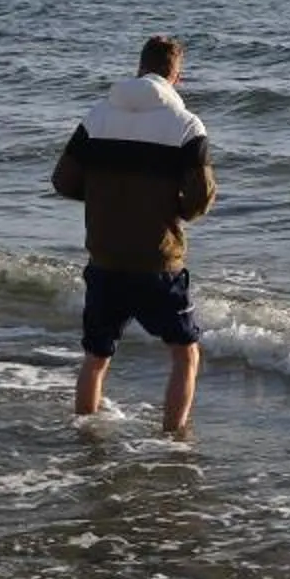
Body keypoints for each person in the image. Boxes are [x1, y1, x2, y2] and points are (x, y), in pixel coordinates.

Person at [49, 34, 216, 434]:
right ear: (177, 76)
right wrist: (171, 211)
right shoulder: (185, 125)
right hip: (157, 261)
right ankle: (173, 440)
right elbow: (200, 198)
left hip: (105, 256)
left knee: (96, 357)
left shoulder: (98, 116)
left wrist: (104, 200)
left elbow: (63, 180)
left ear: (139, 68)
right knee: (185, 354)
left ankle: (85, 436)